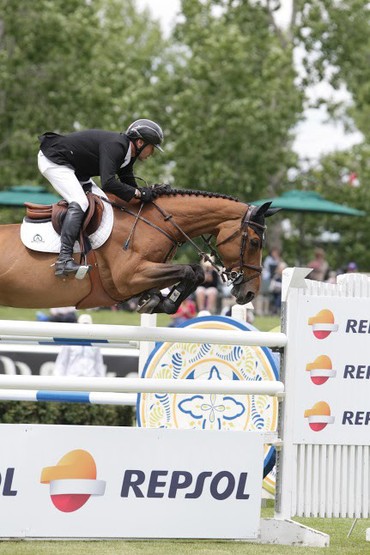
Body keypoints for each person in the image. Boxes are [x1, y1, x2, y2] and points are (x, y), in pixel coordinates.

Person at [37, 119, 165, 277]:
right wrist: (139, 193)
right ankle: (63, 261)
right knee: (80, 202)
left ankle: (92, 254)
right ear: (140, 143)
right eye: (152, 148)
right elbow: (109, 183)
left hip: (77, 170)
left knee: (105, 205)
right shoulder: (117, 146)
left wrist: (148, 193)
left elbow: (128, 184)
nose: (152, 153)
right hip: (55, 160)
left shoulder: (128, 155)